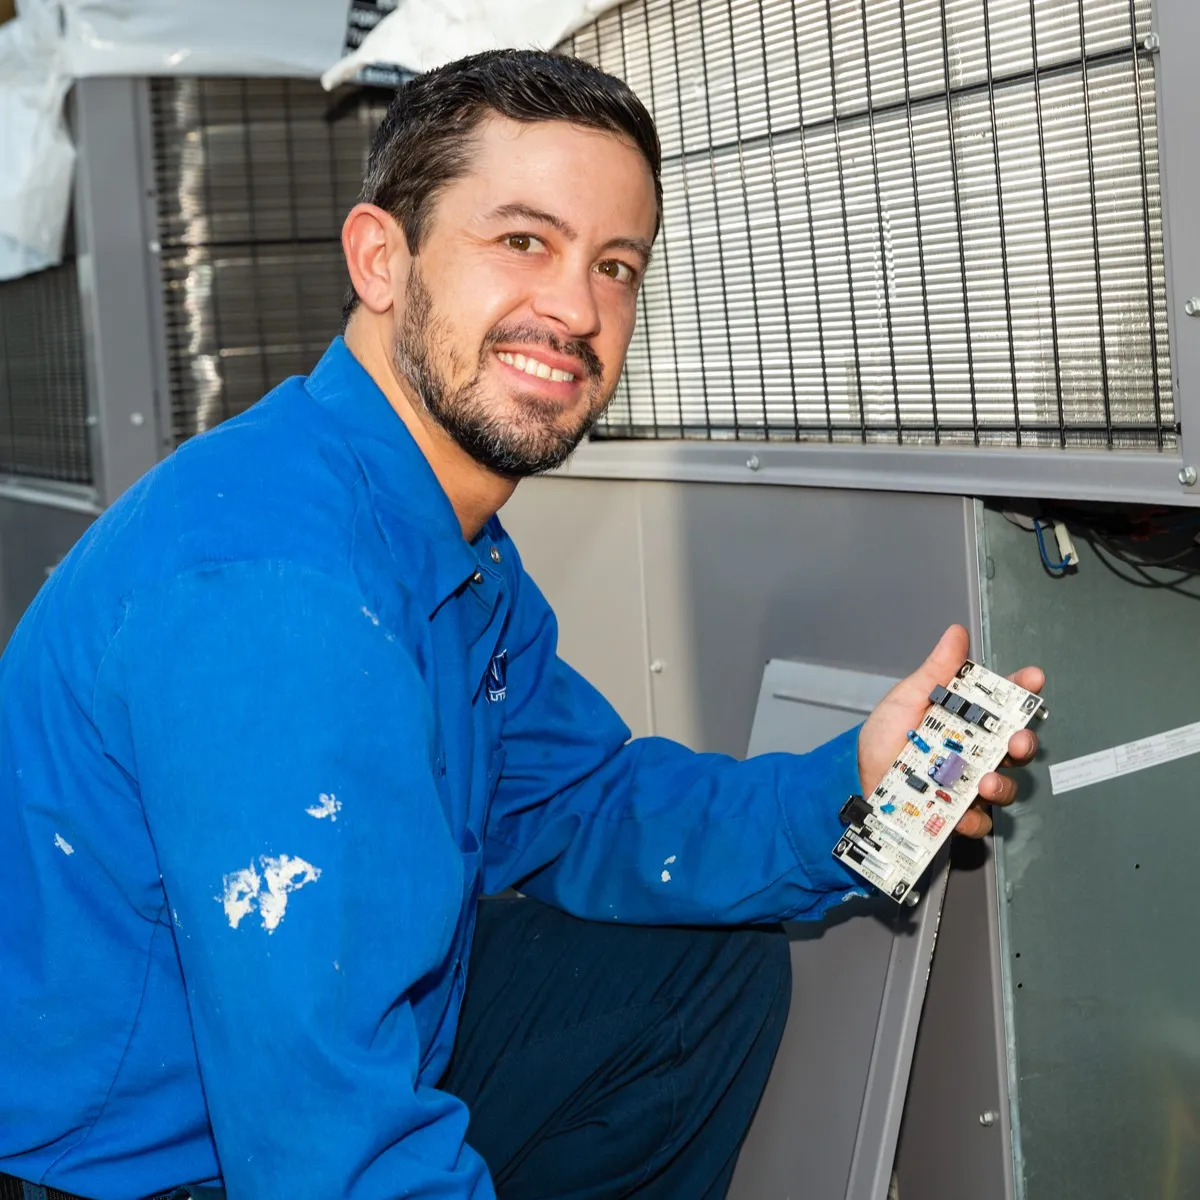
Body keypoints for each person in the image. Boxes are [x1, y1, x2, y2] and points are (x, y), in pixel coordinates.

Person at [0, 50, 1042, 1200]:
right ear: (381, 259)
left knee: (702, 978)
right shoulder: (276, 592)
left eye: (616, 265)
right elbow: (322, 1140)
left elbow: (583, 805)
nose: (578, 309)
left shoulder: (444, 544)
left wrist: (859, 785)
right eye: (523, 242)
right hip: (146, 1168)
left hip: (281, 1083)